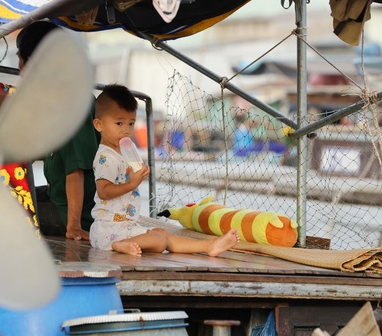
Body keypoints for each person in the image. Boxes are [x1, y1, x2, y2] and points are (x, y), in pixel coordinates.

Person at [89, 84, 240, 256]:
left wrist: (136, 174)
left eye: (131, 123)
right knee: (160, 241)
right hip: (108, 231)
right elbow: (104, 191)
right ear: (99, 125)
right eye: (119, 123)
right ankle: (120, 245)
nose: (126, 129)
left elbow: (125, 178)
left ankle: (208, 246)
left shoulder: (124, 150)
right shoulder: (106, 157)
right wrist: (131, 184)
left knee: (163, 234)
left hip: (125, 226)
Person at [16, 21, 98, 241]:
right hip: (58, 197)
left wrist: (73, 226)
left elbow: (76, 171)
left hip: (73, 214)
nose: (19, 67)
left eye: (20, 58)